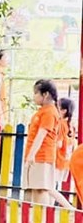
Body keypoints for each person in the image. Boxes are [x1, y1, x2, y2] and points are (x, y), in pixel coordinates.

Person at [23, 79, 73, 209]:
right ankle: (37, 219)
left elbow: (42, 134)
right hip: (37, 156)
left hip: (42, 156)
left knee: (41, 189)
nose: (34, 96)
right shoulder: (43, 111)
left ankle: (42, 218)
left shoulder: (50, 112)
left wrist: (31, 154)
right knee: (37, 188)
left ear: (45, 94)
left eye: (36, 93)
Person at [56, 97, 75, 190]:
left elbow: (58, 144)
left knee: (49, 187)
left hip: (57, 159)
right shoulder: (71, 125)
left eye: (57, 107)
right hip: (65, 161)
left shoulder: (60, 124)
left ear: (63, 111)